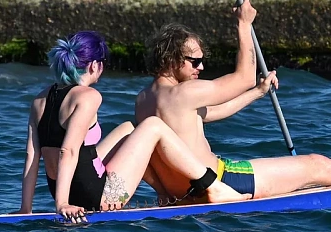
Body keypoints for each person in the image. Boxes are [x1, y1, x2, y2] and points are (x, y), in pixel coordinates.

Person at [133, 8, 331, 202]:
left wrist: (257, 92)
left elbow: (208, 115)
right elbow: (241, 76)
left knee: (312, 173)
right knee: (313, 165)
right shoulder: (186, 93)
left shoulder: (146, 99)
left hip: (185, 193)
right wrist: (243, 26)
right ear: (173, 59)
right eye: (195, 61)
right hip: (224, 180)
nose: (201, 67)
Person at [21, 31, 249, 220]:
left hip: (71, 189)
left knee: (132, 127)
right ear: (93, 66)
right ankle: (214, 186)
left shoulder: (40, 100)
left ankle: (165, 197)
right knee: (153, 126)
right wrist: (63, 204)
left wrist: (26, 209)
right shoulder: (88, 96)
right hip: (98, 198)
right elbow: (68, 151)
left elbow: (32, 156)